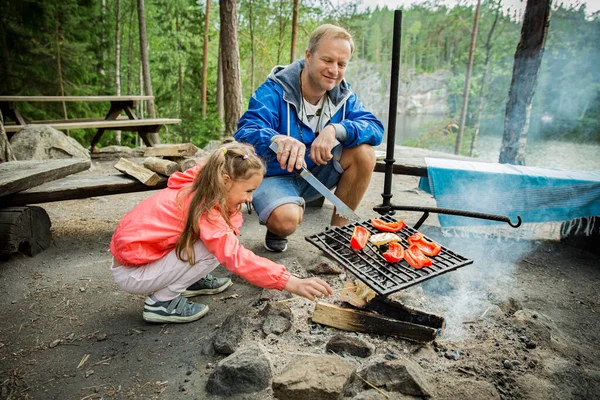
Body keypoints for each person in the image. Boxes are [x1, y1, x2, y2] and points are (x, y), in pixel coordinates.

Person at [109, 142, 332, 323]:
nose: (251, 198)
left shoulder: (204, 186)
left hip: (142, 261)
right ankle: (161, 302)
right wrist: (290, 281)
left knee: (218, 241)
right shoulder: (204, 207)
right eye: (248, 190)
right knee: (214, 248)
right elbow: (235, 256)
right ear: (226, 181)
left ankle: (187, 281)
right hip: (135, 273)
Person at [234, 24, 384, 253]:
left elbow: (375, 128)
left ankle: (338, 235)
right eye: (328, 60)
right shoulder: (274, 90)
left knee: (364, 153)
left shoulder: (344, 96)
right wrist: (277, 139)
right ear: (308, 56)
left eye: (341, 64)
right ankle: (278, 222)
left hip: (316, 172)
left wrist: (337, 129)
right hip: (275, 175)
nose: (334, 70)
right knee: (286, 220)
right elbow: (245, 131)